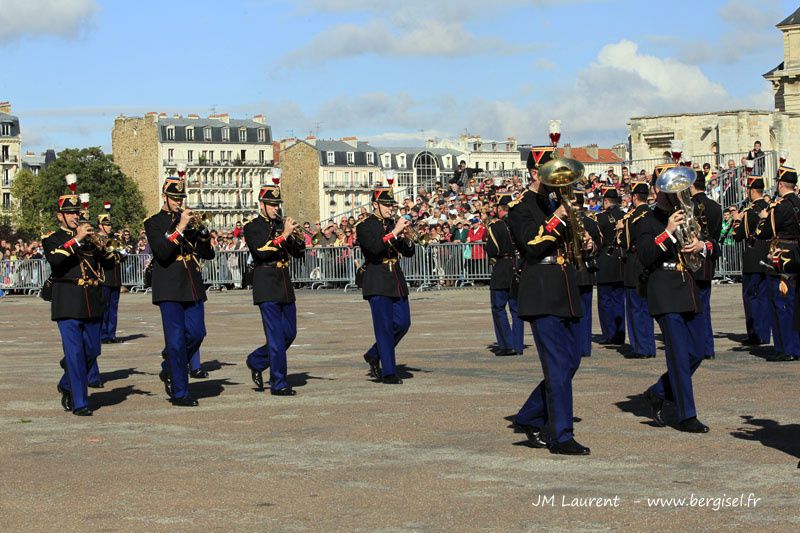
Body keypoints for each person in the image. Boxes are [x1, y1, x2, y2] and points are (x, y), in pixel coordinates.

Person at [508, 150, 592, 455]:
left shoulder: (557, 202)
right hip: (541, 288)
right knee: (557, 365)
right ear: (534, 173)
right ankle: (560, 435)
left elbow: (569, 246)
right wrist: (557, 220)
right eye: (549, 171)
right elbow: (531, 246)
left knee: (571, 360)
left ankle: (530, 415)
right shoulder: (520, 207)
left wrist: (585, 240)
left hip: (565, 287)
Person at [637, 183, 712, 433]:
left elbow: (713, 244)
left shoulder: (688, 215)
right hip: (664, 290)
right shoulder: (647, 219)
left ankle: (658, 392)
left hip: (687, 288)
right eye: (671, 190)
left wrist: (702, 246)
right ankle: (686, 415)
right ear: (658, 192)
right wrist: (669, 231)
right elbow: (646, 255)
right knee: (679, 355)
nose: (678, 195)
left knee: (699, 349)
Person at [144, 175, 215, 406]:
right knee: (175, 341)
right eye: (174, 198)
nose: (178, 202)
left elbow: (207, 254)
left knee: (197, 333)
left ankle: (169, 367)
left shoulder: (189, 220)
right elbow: (163, 252)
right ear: (164, 197)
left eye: (180, 198)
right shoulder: (153, 222)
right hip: (169, 287)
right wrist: (181, 226)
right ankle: (180, 393)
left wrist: (204, 237)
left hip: (191, 284)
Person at [43, 179, 106, 416]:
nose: (73, 216)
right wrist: (77, 238)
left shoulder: (88, 236)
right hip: (68, 301)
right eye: (68, 213)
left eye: (75, 212)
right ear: (60, 216)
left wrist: (102, 245)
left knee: (93, 351)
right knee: (76, 353)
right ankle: (80, 403)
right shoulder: (53, 238)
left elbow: (106, 262)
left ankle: (67, 382)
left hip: (92, 299)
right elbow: (56, 260)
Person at [243, 183, 306, 396]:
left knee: (290, 333)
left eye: (276, 204)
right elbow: (261, 252)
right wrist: (283, 235)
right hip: (266, 283)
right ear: (261, 204)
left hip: (284, 284)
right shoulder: (252, 226)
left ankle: (256, 360)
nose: (274, 208)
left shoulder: (281, 224)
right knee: (277, 338)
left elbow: (298, 253)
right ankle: (279, 383)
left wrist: (295, 236)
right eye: (270, 204)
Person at [356, 186, 415, 384]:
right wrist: (395, 231)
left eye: (392, 205)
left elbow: (408, 252)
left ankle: (374, 353)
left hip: (395, 279)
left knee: (403, 323)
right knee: (384, 328)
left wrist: (406, 237)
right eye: (386, 205)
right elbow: (374, 249)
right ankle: (389, 372)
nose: (391, 208)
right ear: (375, 205)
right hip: (377, 278)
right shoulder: (364, 225)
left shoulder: (391, 224)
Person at [754, 165, 800, 361]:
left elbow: (762, 233)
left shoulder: (779, 206)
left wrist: (763, 218)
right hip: (797, 252)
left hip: (781, 255)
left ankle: (786, 348)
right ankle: (795, 346)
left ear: (781, 184)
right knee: (794, 304)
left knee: (780, 303)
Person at [618, 181, 656, 359]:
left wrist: (620, 228)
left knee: (635, 309)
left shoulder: (631, 217)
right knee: (646, 309)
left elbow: (624, 242)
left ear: (634, 197)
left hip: (634, 263)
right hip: (649, 264)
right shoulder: (652, 213)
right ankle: (649, 347)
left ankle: (640, 347)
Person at [732, 177, 771, 346]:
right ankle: (764, 333)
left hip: (753, 258)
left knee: (751, 297)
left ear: (752, 191)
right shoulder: (771, 207)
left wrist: (736, 219)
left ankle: (755, 334)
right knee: (764, 297)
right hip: (768, 257)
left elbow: (737, 236)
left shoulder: (749, 211)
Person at [485, 193, 523, 356]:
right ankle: (518, 344)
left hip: (502, 269)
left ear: (501, 209)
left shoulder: (496, 227)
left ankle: (507, 344)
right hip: (518, 267)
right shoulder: (520, 225)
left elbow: (492, 250)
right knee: (516, 309)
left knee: (498, 308)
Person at [690, 170, 722, 360]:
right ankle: (707, 347)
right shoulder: (716, 207)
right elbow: (715, 238)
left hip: (692, 260)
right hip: (709, 260)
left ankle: (697, 346)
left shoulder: (689, 206)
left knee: (692, 308)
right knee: (705, 306)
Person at [595, 186, 626, 345]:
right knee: (619, 299)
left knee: (605, 300)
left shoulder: (600, 218)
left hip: (606, 259)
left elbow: (597, 242)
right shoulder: (626, 216)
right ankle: (620, 334)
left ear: (606, 201)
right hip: (621, 260)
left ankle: (609, 334)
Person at [574, 189, 601, 359]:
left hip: (573, 270)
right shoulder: (591, 222)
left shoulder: (569, 222)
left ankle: (576, 346)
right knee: (586, 312)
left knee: (573, 312)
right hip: (587, 271)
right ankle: (585, 347)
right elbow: (601, 242)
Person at [98, 205, 123, 347]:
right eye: (107, 225)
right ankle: (102, 334)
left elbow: (123, 257)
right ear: (100, 226)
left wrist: (120, 251)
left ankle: (111, 334)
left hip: (115, 278)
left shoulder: (114, 239)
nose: (109, 227)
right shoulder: (98, 239)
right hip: (104, 277)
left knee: (114, 308)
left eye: (110, 225)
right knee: (104, 307)